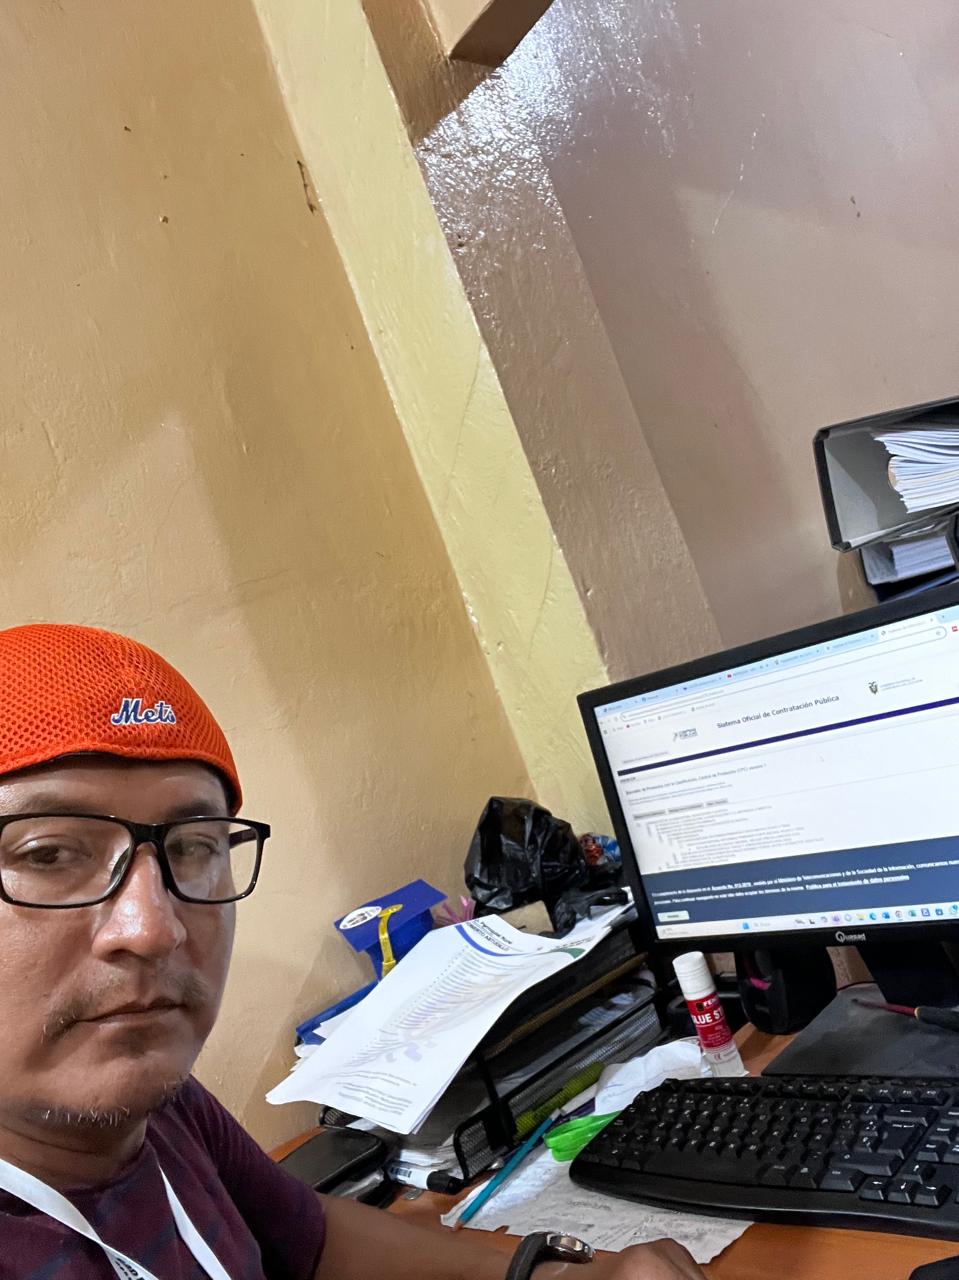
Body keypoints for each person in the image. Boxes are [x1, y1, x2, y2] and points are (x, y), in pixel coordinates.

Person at [0, 623, 706, 1280]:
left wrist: (550, 1274)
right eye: (47, 854)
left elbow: (312, 1239)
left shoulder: (169, 1113)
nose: (154, 928)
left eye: (190, 847)